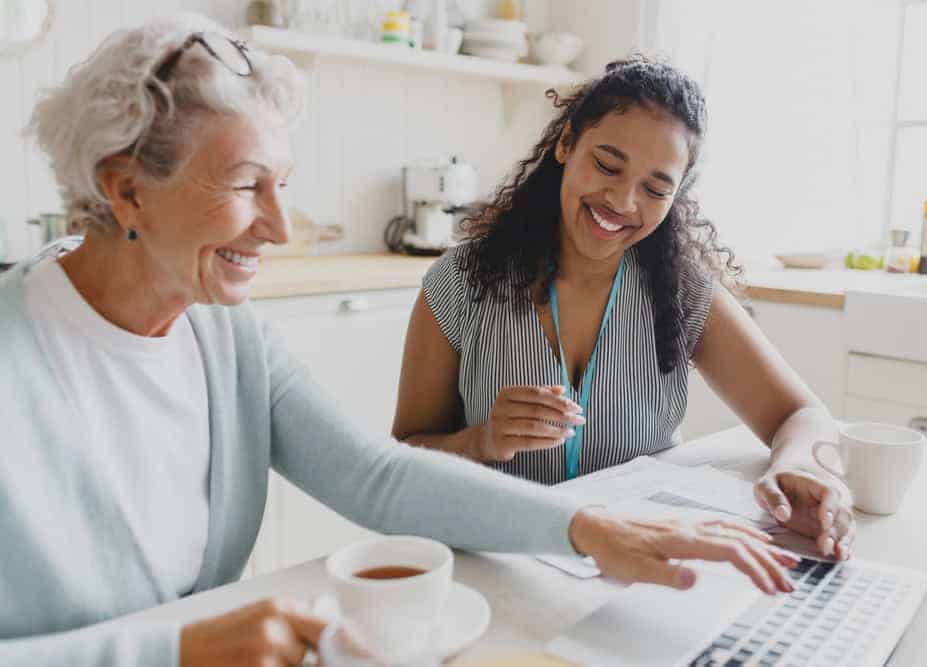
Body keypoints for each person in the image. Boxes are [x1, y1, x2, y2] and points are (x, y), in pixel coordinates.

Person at [0, 16, 796, 667]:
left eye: (284, 184)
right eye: (247, 186)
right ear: (126, 187)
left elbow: (375, 473)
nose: (280, 227)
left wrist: (588, 529)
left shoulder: (225, 334)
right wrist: (172, 650)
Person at [393, 56, 855, 562]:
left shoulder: (681, 292)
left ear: (677, 195)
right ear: (566, 144)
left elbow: (803, 414)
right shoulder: (461, 282)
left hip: (634, 570)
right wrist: (480, 442)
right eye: (607, 165)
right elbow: (403, 459)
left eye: (656, 188)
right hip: (497, 562)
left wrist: (801, 467)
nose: (622, 200)